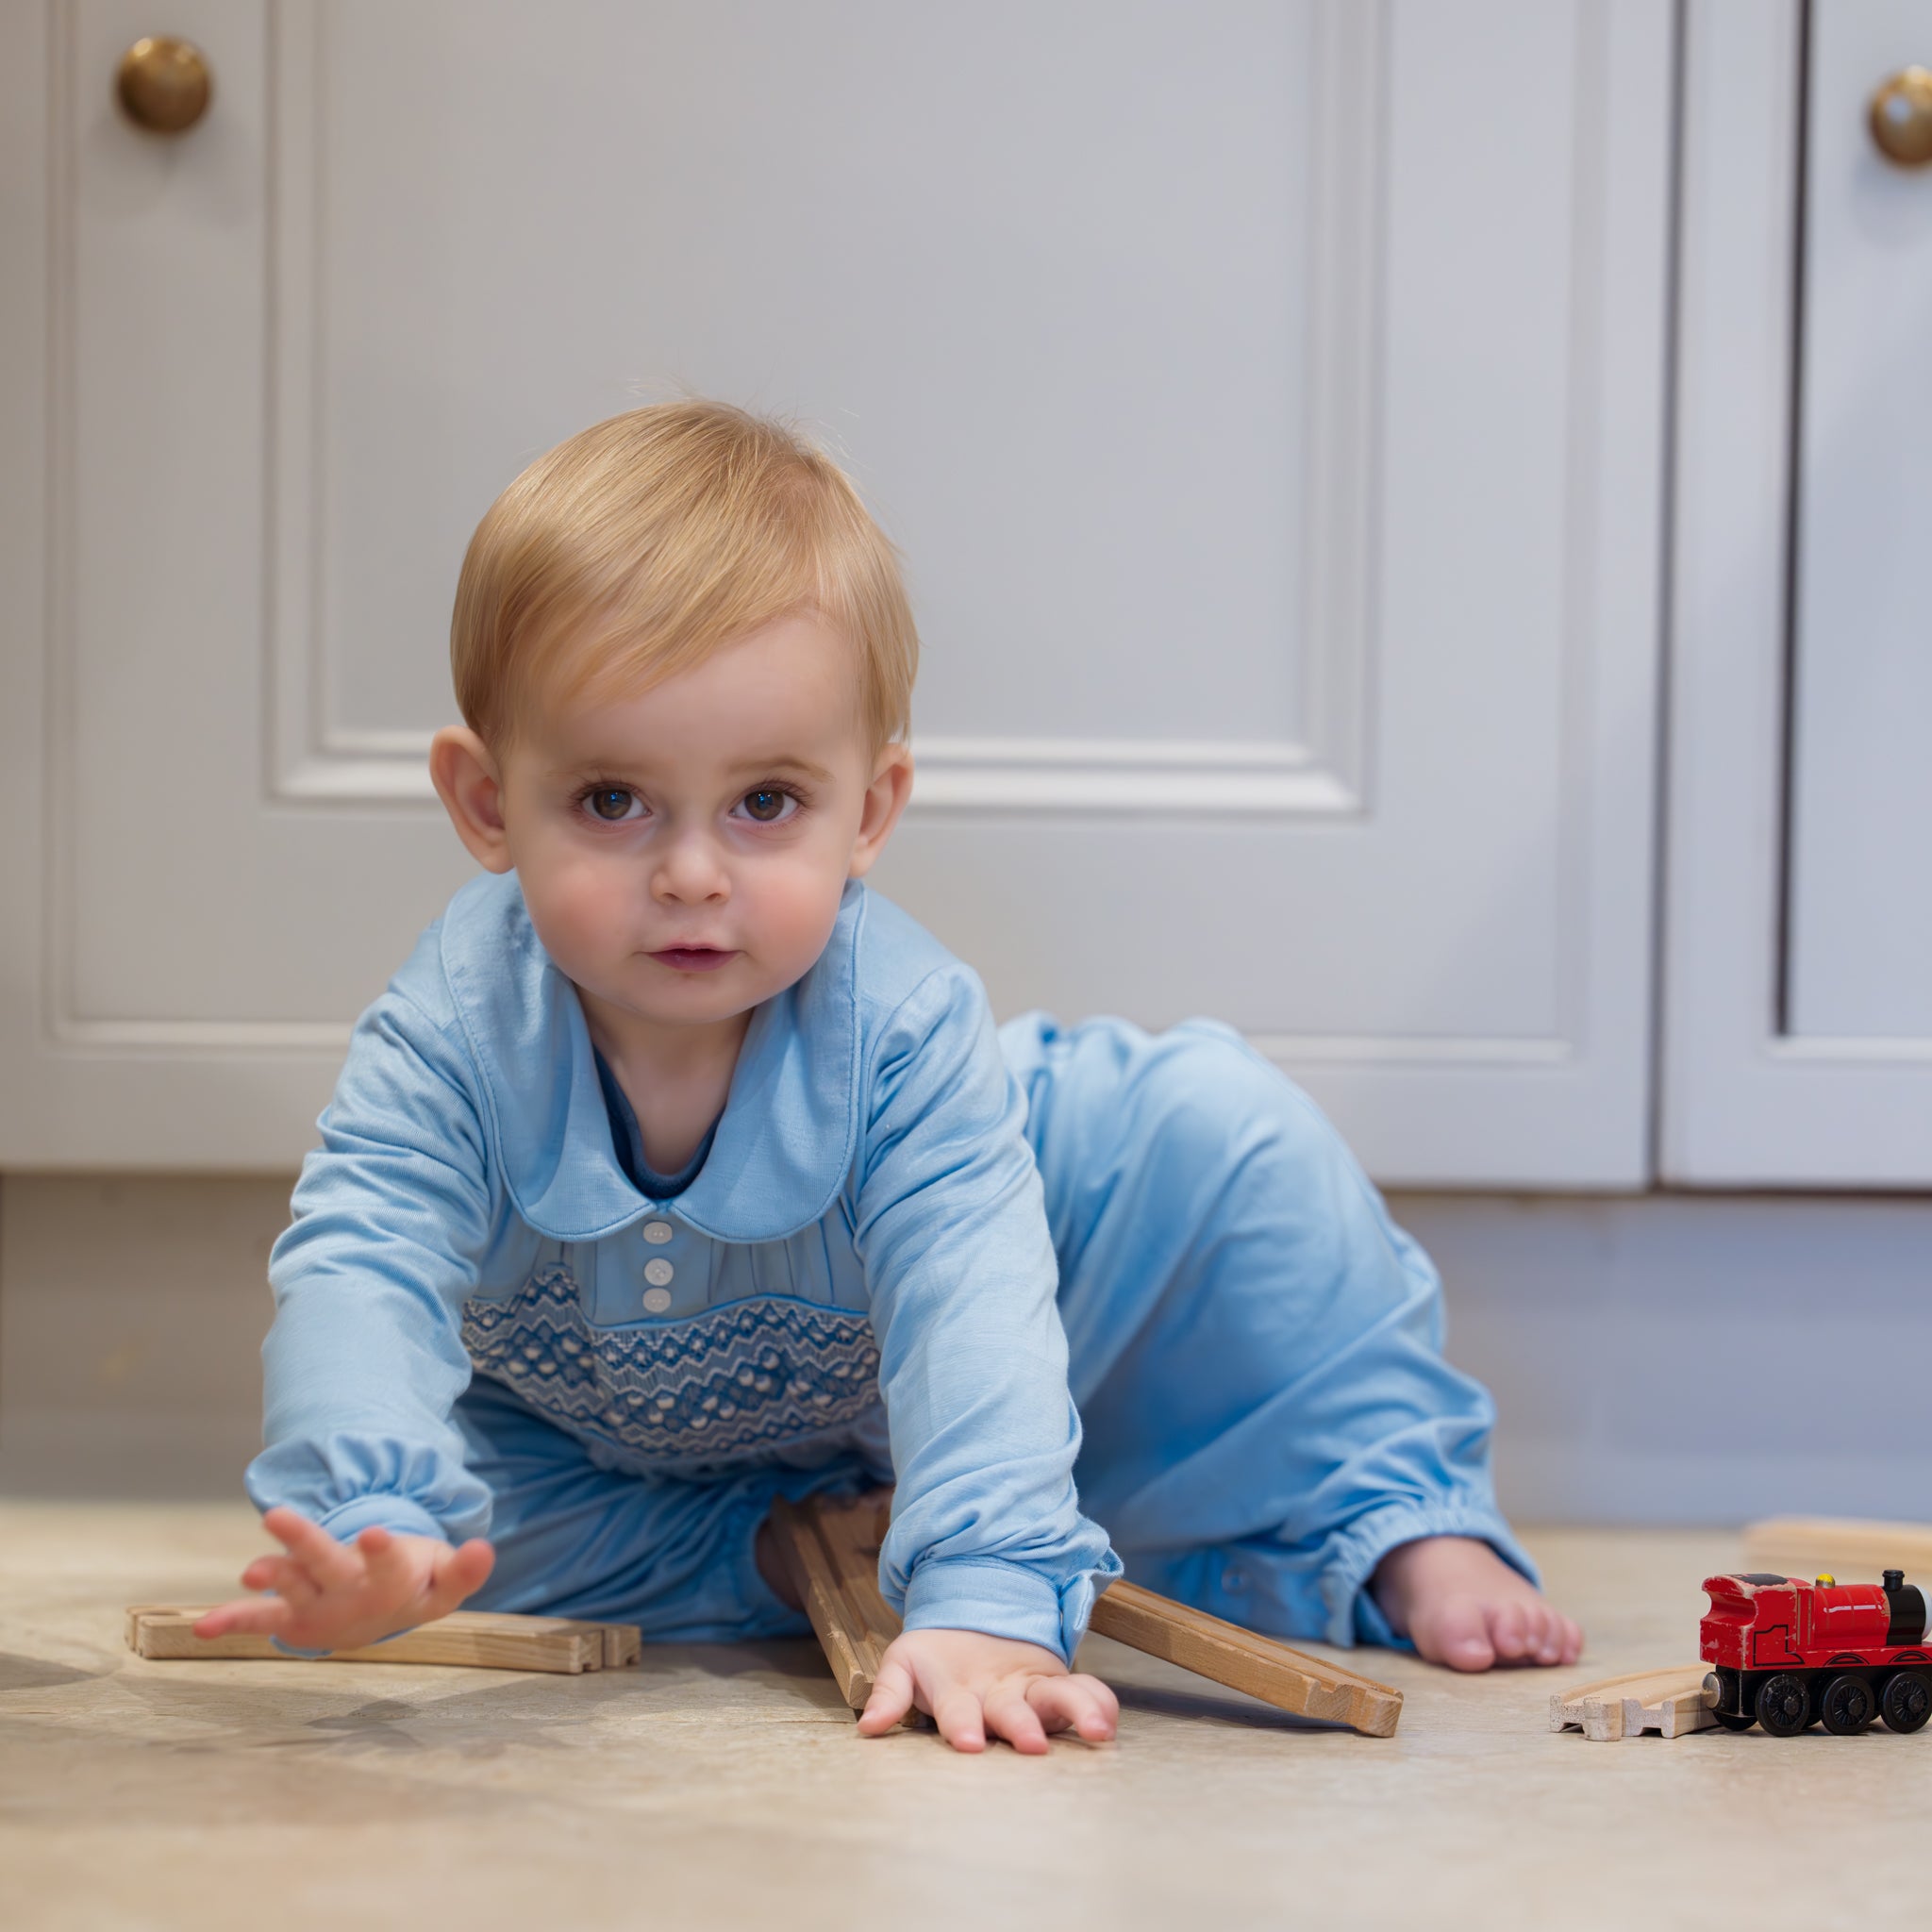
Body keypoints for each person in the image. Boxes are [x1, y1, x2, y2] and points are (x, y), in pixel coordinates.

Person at [198, 400, 1583, 1754]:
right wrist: (370, 1513)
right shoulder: (449, 1035)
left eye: (765, 803)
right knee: (491, 1538)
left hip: (1050, 1267)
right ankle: (779, 1551)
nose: (693, 873)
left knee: (1222, 1131)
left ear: (867, 813)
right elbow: (362, 1265)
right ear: (488, 803)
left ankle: (1397, 1525)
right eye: (613, 801)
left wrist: (988, 1596)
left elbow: (973, 1296)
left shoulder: (907, 1028)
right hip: (631, 1435)